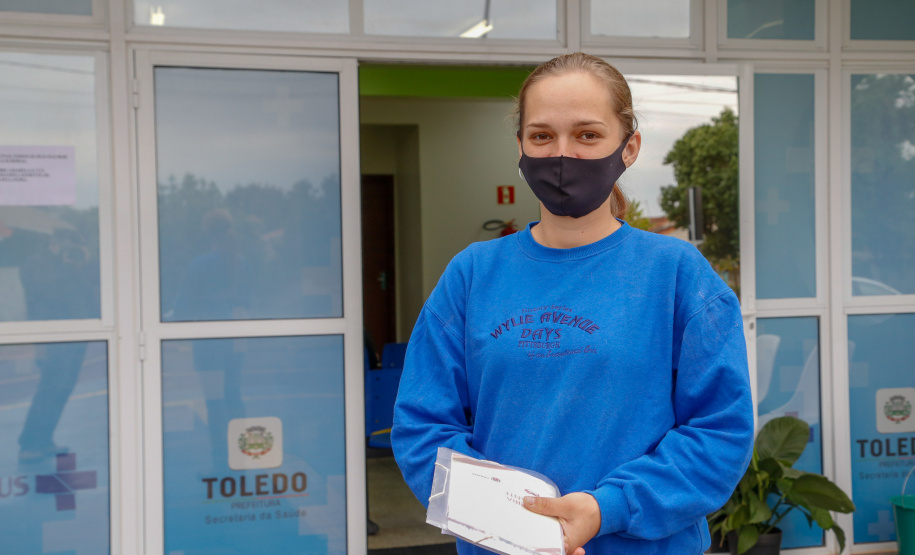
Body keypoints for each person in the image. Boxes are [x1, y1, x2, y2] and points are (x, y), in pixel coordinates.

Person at [390, 52, 755, 555]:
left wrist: (609, 507)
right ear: (520, 148)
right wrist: (516, 530)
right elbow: (421, 428)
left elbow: (720, 432)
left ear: (629, 148)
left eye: (587, 135)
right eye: (542, 136)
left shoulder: (678, 275)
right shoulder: (472, 275)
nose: (563, 154)